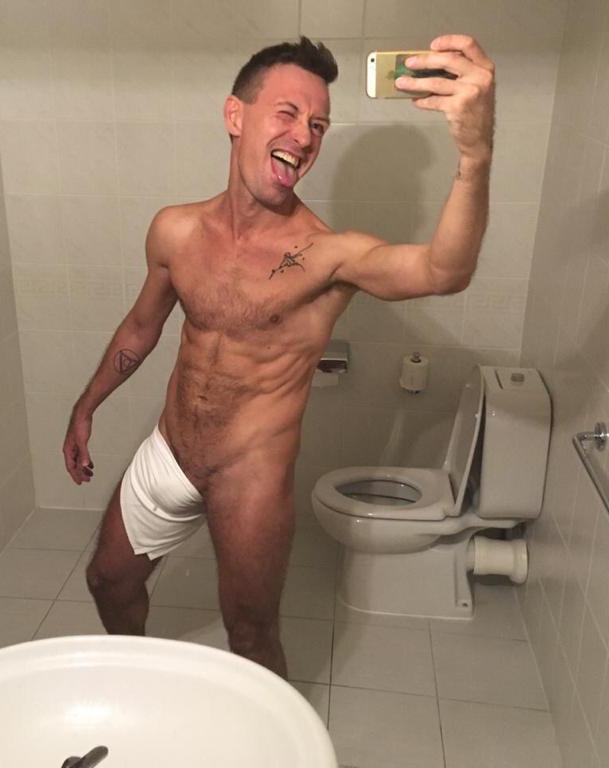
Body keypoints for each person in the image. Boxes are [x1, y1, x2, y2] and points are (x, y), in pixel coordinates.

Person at [62, 34, 495, 678]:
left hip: (250, 478)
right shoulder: (175, 230)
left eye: (318, 125)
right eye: (288, 113)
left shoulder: (327, 256)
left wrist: (475, 155)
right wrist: (86, 407)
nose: (304, 136)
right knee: (107, 581)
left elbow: (444, 271)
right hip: (171, 451)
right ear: (235, 115)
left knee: (251, 634)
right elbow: (140, 328)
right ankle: (144, 686)